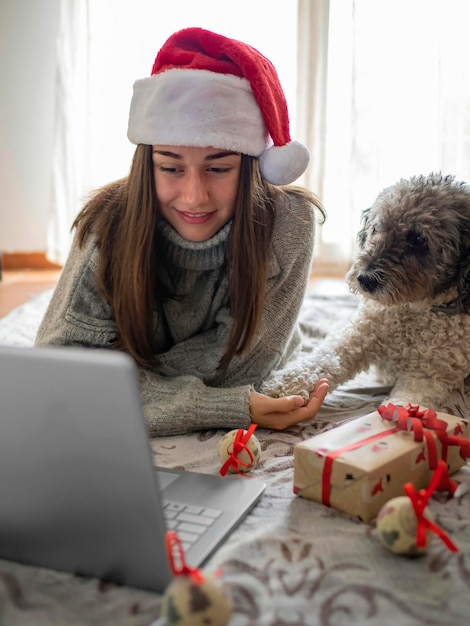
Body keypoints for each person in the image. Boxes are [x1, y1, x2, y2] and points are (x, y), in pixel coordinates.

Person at [35, 27, 329, 436]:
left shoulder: (289, 224)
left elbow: (241, 366)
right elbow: (58, 371)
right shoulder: (109, 223)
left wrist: (120, 380)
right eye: (171, 168)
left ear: (250, 167)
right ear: (147, 165)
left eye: (218, 168)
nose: (193, 197)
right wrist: (227, 406)